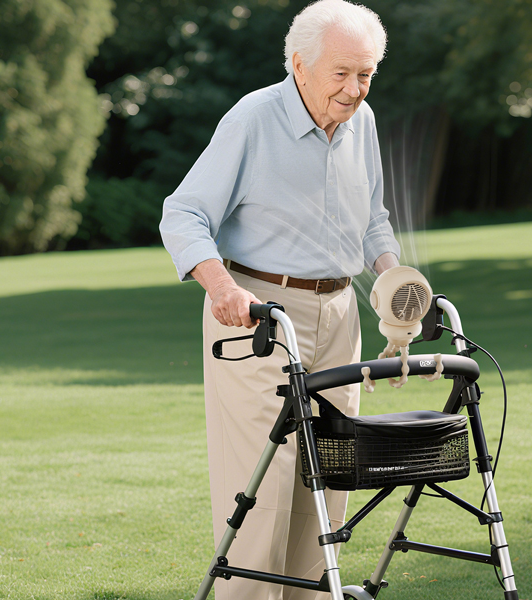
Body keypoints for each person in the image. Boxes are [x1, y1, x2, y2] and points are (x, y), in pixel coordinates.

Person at [158, 1, 401, 598]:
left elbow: (372, 220)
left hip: (341, 314)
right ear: (299, 63)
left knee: (329, 481)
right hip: (259, 315)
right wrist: (223, 288)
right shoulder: (253, 119)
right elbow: (183, 213)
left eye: (365, 74)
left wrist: (395, 279)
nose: (353, 89)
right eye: (341, 73)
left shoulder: (361, 123)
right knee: (262, 489)